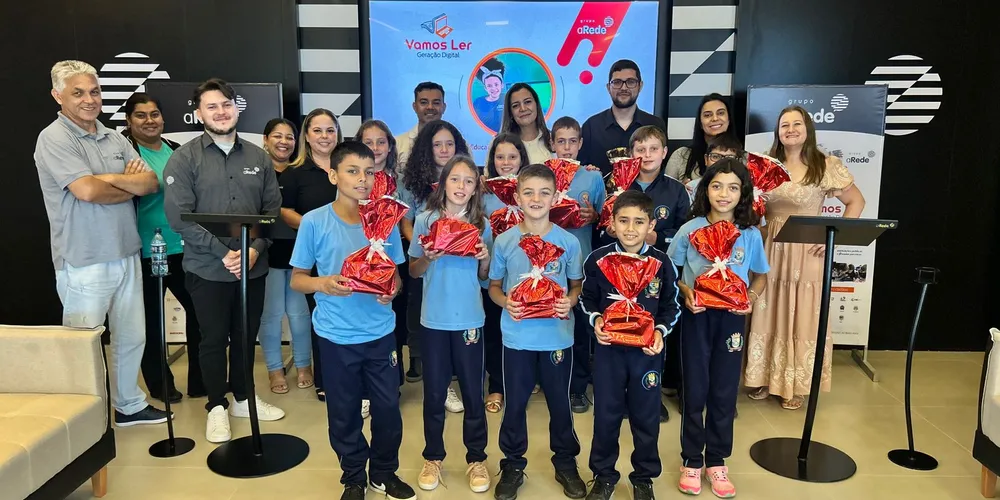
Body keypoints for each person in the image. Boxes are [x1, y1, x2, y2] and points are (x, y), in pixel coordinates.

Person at [34, 60, 169, 426]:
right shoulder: (54, 138)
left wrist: (105, 181)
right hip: (84, 259)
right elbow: (86, 191)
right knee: (84, 345)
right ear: (57, 95)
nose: (89, 100)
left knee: (131, 336)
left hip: (126, 251)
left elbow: (150, 184)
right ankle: (85, 419)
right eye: (78, 93)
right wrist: (119, 183)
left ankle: (129, 406)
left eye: (94, 91)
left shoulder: (115, 137)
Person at [289, 141, 416, 500]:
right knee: (343, 413)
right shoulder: (315, 222)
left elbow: (397, 276)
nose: (363, 179)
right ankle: (353, 477)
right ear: (333, 175)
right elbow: (297, 278)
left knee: (388, 409)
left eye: (370, 172)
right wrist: (324, 284)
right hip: (335, 336)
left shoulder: (385, 221)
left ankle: (384, 473)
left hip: (380, 333)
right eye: (353, 171)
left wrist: (392, 288)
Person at [163, 78, 285, 443]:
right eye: (211, 106)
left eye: (226, 104)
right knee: (213, 339)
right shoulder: (184, 158)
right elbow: (179, 218)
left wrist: (252, 250)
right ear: (198, 113)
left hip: (253, 266)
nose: (221, 111)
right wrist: (226, 253)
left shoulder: (258, 156)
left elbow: (271, 212)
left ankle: (243, 398)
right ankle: (216, 406)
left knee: (246, 337)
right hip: (207, 269)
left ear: (236, 108)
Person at [743, 106, 866, 410]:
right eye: (785, 125)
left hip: (807, 249)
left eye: (797, 124)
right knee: (766, 309)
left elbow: (856, 201)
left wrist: (834, 237)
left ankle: (793, 386)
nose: (791, 129)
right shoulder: (765, 165)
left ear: (808, 129)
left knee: (801, 314)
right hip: (769, 246)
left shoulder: (825, 165)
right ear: (778, 132)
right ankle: (763, 380)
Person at [667, 158, 769, 498]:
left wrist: (751, 297)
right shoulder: (689, 230)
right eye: (716, 186)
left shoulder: (750, 234)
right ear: (704, 190)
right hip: (696, 316)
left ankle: (718, 461)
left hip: (732, 319)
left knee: (725, 392)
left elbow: (760, 274)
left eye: (733, 187)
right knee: (695, 390)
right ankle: (692, 460)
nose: (723, 194)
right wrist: (687, 292)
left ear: (743, 194)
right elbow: (671, 272)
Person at [488, 164, 586, 500]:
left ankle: (565, 462)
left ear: (556, 196)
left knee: (560, 403)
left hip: (557, 336)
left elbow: (576, 287)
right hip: (517, 337)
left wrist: (569, 303)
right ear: (516, 196)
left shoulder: (568, 242)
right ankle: (513, 464)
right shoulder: (504, 240)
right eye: (528, 192)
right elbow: (494, 288)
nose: (536, 198)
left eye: (545, 192)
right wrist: (506, 303)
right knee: (515, 404)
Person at [580, 190, 680, 500]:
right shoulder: (599, 260)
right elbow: (587, 298)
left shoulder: (662, 263)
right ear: (612, 223)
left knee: (646, 417)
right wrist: (597, 321)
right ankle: (604, 475)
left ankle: (643, 477)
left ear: (651, 225)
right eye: (623, 221)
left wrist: (660, 333)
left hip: (646, 355)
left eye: (639, 222)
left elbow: (670, 306)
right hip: (609, 352)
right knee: (606, 415)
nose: (631, 228)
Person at [409, 156, 493, 494]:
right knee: (433, 393)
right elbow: (414, 271)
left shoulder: (481, 224)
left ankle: (476, 459)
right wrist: (428, 257)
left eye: (468, 181)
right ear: (443, 183)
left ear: (476, 189)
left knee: (474, 392)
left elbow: (485, 278)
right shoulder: (426, 219)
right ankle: (433, 457)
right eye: (455, 179)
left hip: (470, 318)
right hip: (434, 319)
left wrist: (484, 258)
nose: (461, 187)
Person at [601, 125, 689, 421]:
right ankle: (618, 395)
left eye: (653, 149)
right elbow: (603, 226)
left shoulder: (676, 190)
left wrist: (657, 240)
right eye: (640, 149)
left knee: (650, 334)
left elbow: (684, 233)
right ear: (630, 154)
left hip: (655, 275)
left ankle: (649, 394)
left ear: (664, 153)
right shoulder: (615, 184)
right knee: (619, 330)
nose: (647, 155)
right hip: (616, 276)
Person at [123, 92, 205, 403]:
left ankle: (201, 381)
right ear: (129, 121)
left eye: (154, 114)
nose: (149, 120)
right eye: (141, 115)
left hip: (183, 246)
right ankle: (161, 385)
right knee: (153, 321)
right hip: (147, 249)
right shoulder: (126, 153)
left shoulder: (174, 150)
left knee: (200, 315)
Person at [398, 120, 471, 416]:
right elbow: (406, 220)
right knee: (423, 314)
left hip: (461, 265)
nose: (443, 149)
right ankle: (435, 378)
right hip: (426, 258)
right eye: (437, 144)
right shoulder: (412, 181)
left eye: (449, 144)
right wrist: (422, 243)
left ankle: (458, 378)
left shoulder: (467, 180)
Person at [279, 108, 343, 403]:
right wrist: (313, 225)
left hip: (350, 253)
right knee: (323, 317)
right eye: (317, 130)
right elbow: (284, 210)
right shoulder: (295, 172)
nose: (324, 136)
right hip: (315, 257)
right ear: (306, 135)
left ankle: (353, 373)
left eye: (330, 130)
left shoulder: (346, 166)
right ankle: (326, 379)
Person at [550, 116, 607, 413]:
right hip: (547, 265)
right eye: (561, 141)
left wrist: (595, 218)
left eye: (573, 141)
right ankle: (551, 381)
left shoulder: (593, 177)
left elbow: (604, 219)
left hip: (582, 263)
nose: (567, 147)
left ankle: (578, 388)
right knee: (551, 321)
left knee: (582, 328)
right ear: (552, 144)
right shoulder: (542, 175)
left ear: (581, 143)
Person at [258, 118, 315, 395]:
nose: (284, 142)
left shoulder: (301, 171)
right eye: (277, 136)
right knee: (270, 315)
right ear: (265, 139)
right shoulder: (256, 171)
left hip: (298, 252)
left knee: (299, 314)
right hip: (265, 251)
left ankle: (304, 365)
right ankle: (274, 369)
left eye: (290, 137)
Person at [356, 119, 407, 402]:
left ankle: (391, 384)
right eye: (368, 142)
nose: (375, 148)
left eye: (381, 142)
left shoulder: (399, 181)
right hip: (360, 261)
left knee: (392, 322)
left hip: (392, 257)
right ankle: (364, 390)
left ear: (389, 146)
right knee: (364, 319)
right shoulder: (352, 180)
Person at [480, 132, 530, 413]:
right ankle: (496, 386)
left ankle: (523, 382)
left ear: (522, 158)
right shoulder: (484, 193)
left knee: (523, 329)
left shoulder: (530, 192)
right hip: (493, 277)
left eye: (512, 156)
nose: (506, 162)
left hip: (526, 276)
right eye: (500, 157)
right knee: (494, 332)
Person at [579, 60, 666, 176]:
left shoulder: (655, 124)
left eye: (630, 82)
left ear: (640, 86)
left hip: (646, 194)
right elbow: (581, 171)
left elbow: (662, 169)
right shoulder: (591, 126)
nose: (624, 88)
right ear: (608, 87)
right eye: (617, 82)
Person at [665, 93, 738, 184]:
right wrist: (680, 192)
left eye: (720, 113)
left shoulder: (745, 158)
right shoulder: (681, 156)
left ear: (729, 119)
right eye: (707, 115)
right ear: (700, 123)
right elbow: (665, 193)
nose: (715, 118)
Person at [397, 82, 466, 166]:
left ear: (443, 107)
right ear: (415, 107)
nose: (430, 107)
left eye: (436, 103)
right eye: (424, 102)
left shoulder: (460, 144)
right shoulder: (398, 144)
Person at [497, 83, 553, 164]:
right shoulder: (499, 143)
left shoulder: (554, 140)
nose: (523, 109)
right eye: (516, 105)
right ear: (510, 112)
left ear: (536, 105)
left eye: (527, 102)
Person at [682, 135, 744, 202]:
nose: (721, 162)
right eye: (716, 157)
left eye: (729, 158)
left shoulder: (745, 188)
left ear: (739, 161)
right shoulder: (692, 188)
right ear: (706, 159)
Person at [473, 57, 506, 133]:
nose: (493, 89)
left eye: (496, 84)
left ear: (502, 85)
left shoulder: (508, 98)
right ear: (485, 88)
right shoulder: (478, 102)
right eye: (489, 86)